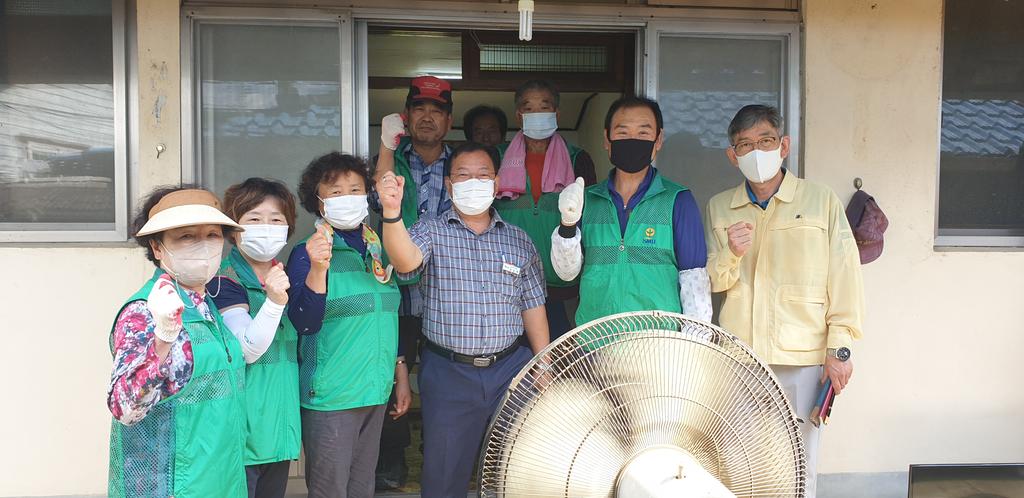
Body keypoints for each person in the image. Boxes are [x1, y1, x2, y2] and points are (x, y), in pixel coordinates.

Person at [703, 104, 864, 497]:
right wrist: (731, 254)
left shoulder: (819, 200)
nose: (756, 152)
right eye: (744, 145)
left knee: (799, 462)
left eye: (765, 141)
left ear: (784, 146)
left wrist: (839, 349)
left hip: (804, 356)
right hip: (740, 356)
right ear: (732, 155)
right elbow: (714, 280)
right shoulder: (720, 206)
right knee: (736, 458)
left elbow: (844, 277)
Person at [378, 142, 550, 498]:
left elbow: (532, 304)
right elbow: (406, 260)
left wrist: (545, 361)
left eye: (483, 175)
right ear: (450, 184)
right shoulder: (431, 230)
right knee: (444, 473)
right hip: (449, 371)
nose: (474, 182)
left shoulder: (519, 240)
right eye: (464, 175)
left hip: (510, 371)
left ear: (497, 183)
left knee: (516, 468)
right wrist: (392, 213)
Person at [106, 187, 247, 497]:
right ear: (158, 248)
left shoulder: (204, 303)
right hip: (171, 486)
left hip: (220, 479)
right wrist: (163, 336)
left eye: (212, 234)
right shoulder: (145, 311)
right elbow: (125, 406)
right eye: (186, 237)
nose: (204, 245)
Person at [285, 152, 411, 498]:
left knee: (362, 488)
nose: (347, 198)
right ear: (319, 201)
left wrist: (400, 373)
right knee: (330, 491)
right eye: (336, 192)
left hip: (375, 390)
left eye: (355, 189)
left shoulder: (380, 250)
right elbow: (304, 323)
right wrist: (317, 270)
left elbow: (390, 315)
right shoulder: (306, 253)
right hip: (331, 398)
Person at [550, 96, 712, 328]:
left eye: (643, 133)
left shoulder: (678, 200)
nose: (633, 140)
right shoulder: (586, 200)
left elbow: (694, 281)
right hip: (596, 343)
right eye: (623, 133)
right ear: (607, 139)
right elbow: (566, 273)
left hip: (658, 343)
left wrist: (694, 343)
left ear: (658, 140)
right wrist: (567, 223)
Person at [371, 75, 455, 489]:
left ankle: (440, 456)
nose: (427, 117)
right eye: (419, 108)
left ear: (448, 119)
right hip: (396, 284)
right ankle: (393, 463)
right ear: (407, 115)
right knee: (394, 368)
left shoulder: (461, 162)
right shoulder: (395, 157)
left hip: (446, 284)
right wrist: (387, 146)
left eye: (436, 110)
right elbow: (378, 198)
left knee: (443, 373)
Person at [206, 178, 299, 498]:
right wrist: (274, 302)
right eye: (254, 219)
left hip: (278, 427)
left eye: (276, 220)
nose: (266, 227)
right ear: (234, 229)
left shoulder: (287, 273)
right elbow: (246, 348)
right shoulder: (224, 278)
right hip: (242, 430)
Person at [494, 79, 597, 341]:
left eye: (544, 107)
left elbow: (592, 220)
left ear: (556, 114)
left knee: (563, 357)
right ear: (519, 116)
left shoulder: (578, 159)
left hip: (562, 283)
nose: (537, 114)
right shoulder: (498, 157)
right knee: (515, 360)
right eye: (529, 108)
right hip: (508, 282)